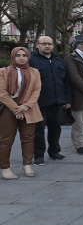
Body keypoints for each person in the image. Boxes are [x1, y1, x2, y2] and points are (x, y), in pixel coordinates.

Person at [0, 48, 42, 179]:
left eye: (24, 55)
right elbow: (1, 92)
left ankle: (27, 165)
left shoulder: (34, 72)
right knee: (6, 140)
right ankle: (5, 167)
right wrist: (16, 108)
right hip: (8, 107)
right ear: (13, 57)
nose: (21, 58)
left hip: (29, 107)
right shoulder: (3, 71)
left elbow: (36, 90)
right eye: (18, 55)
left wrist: (25, 106)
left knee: (28, 138)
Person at [30, 36, 70, 164]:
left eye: (49, 44)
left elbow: (66, 82)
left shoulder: (59, 61)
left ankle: (54, 151)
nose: (47, 46)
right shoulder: (32, 61)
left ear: (53, 46)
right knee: (39, 129)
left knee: (55, 127)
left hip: (58, 101)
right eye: (44, 44)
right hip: (40, 102)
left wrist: (67, 100)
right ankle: (38, 155)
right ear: (37, 45)